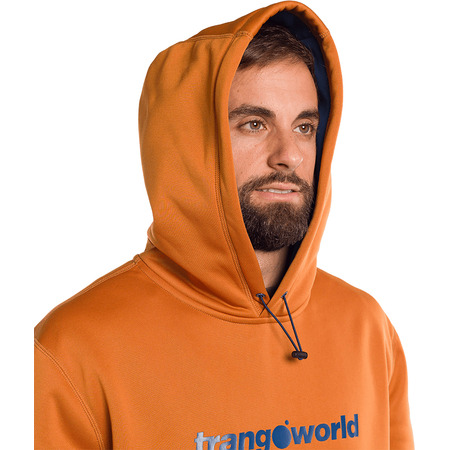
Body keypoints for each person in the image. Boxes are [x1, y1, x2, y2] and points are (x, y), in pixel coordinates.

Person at [34, 2, 414, 449]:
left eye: (304, 127)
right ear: (188, 143)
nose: (289, 156)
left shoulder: (367, 327)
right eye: (254, 124)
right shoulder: (74, 349)